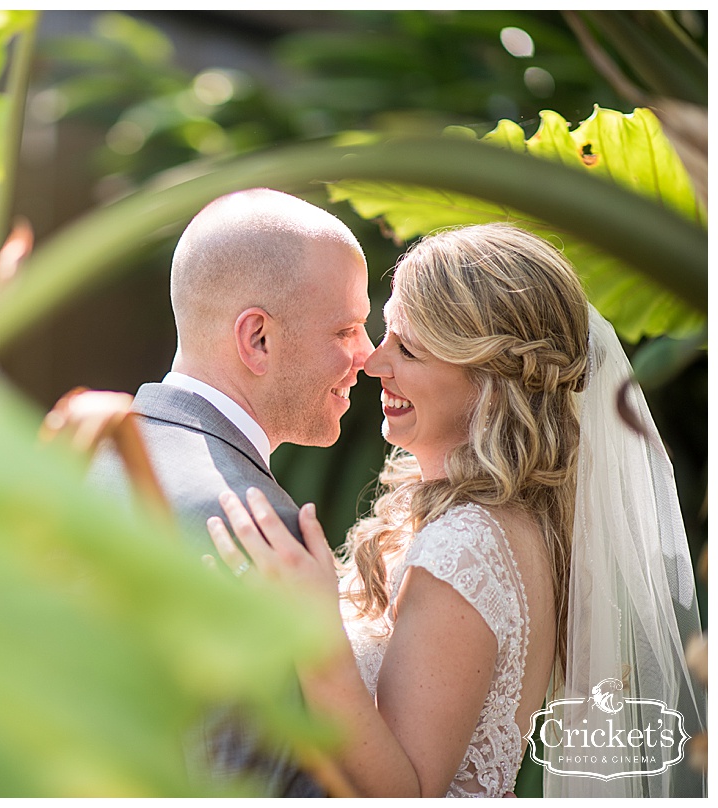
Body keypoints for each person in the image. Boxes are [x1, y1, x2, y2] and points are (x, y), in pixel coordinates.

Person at [207, 223, 706, 797]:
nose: (373, 363)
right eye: (386, 334)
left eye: (409, 349)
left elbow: (407, 792)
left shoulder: (467, 547)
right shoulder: (494, 521)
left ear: (488, 381)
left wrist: (314, 634)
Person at [88, 187, 373, 797]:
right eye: (347, 329)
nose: (367, 356)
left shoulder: (87, 464)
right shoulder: (260, 527)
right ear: (258, 340)